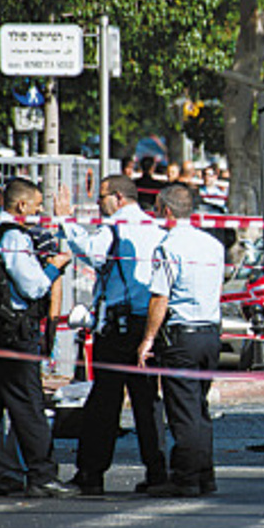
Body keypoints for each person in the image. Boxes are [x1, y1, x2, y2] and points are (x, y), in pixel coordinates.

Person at [55, 175, 168, 496]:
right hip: (148, 324)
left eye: (101, 198)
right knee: (147, 402)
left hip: (118, 328)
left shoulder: (116, 228)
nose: (97, 205)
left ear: (118, 197)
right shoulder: (155, 228)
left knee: (104, 401)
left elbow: (89, 250)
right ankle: (157, 472)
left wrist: (66, 220)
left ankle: (91, 473)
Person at [0, 177, 77, 499]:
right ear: (21, 206)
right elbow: (33, 286)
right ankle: (41, 474)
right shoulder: (14, 237)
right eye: (35, 206)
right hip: (12, 334)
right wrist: (55, 268)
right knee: (29, 407)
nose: (38, 211)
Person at [137, 183, 224, 497]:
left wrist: (147, 339)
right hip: (210, 334)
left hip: (182, 337)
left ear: (166, 211)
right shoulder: (213, 245)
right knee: (198, 408)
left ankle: (185, 478)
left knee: (184, 413)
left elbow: (160, 297)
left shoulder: (167, 247)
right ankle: (204, 475)